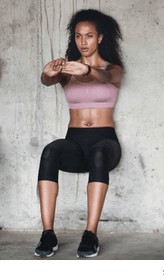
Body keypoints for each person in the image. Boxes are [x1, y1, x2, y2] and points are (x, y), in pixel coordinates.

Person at [35, 9, 124, 258]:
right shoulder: (68, 70)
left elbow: (105, 76)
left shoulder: (113, 69)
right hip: (74, 141)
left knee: (97, 153)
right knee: (50, 151)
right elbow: (47, 80)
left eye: (89, 36)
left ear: (100, 38)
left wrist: (86, 71)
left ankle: (90, 234)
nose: (83, 42)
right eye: (78, 36)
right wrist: (48, 72)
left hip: (106, 143)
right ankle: (47, 233)